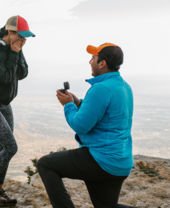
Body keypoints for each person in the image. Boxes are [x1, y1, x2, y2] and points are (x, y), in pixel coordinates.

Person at [37, 43, 136, 208]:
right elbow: (104, 114)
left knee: (45, 164)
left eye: (93, 58)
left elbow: (81, 125)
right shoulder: (124, 87)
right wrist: (77, 102)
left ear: (102, 63)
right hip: (120, 162)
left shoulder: (101, 88)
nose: (90, 61)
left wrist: (68, 105)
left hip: (101, 160)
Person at [0, 15, 35, 206]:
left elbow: (23, 73)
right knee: (11, 147)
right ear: (10, 32)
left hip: (5, 105)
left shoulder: (14, 48)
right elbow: (5, 78)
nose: (23, 40)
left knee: (4, 148)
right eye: (21, 35)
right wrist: (13, 54)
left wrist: (17, 52)